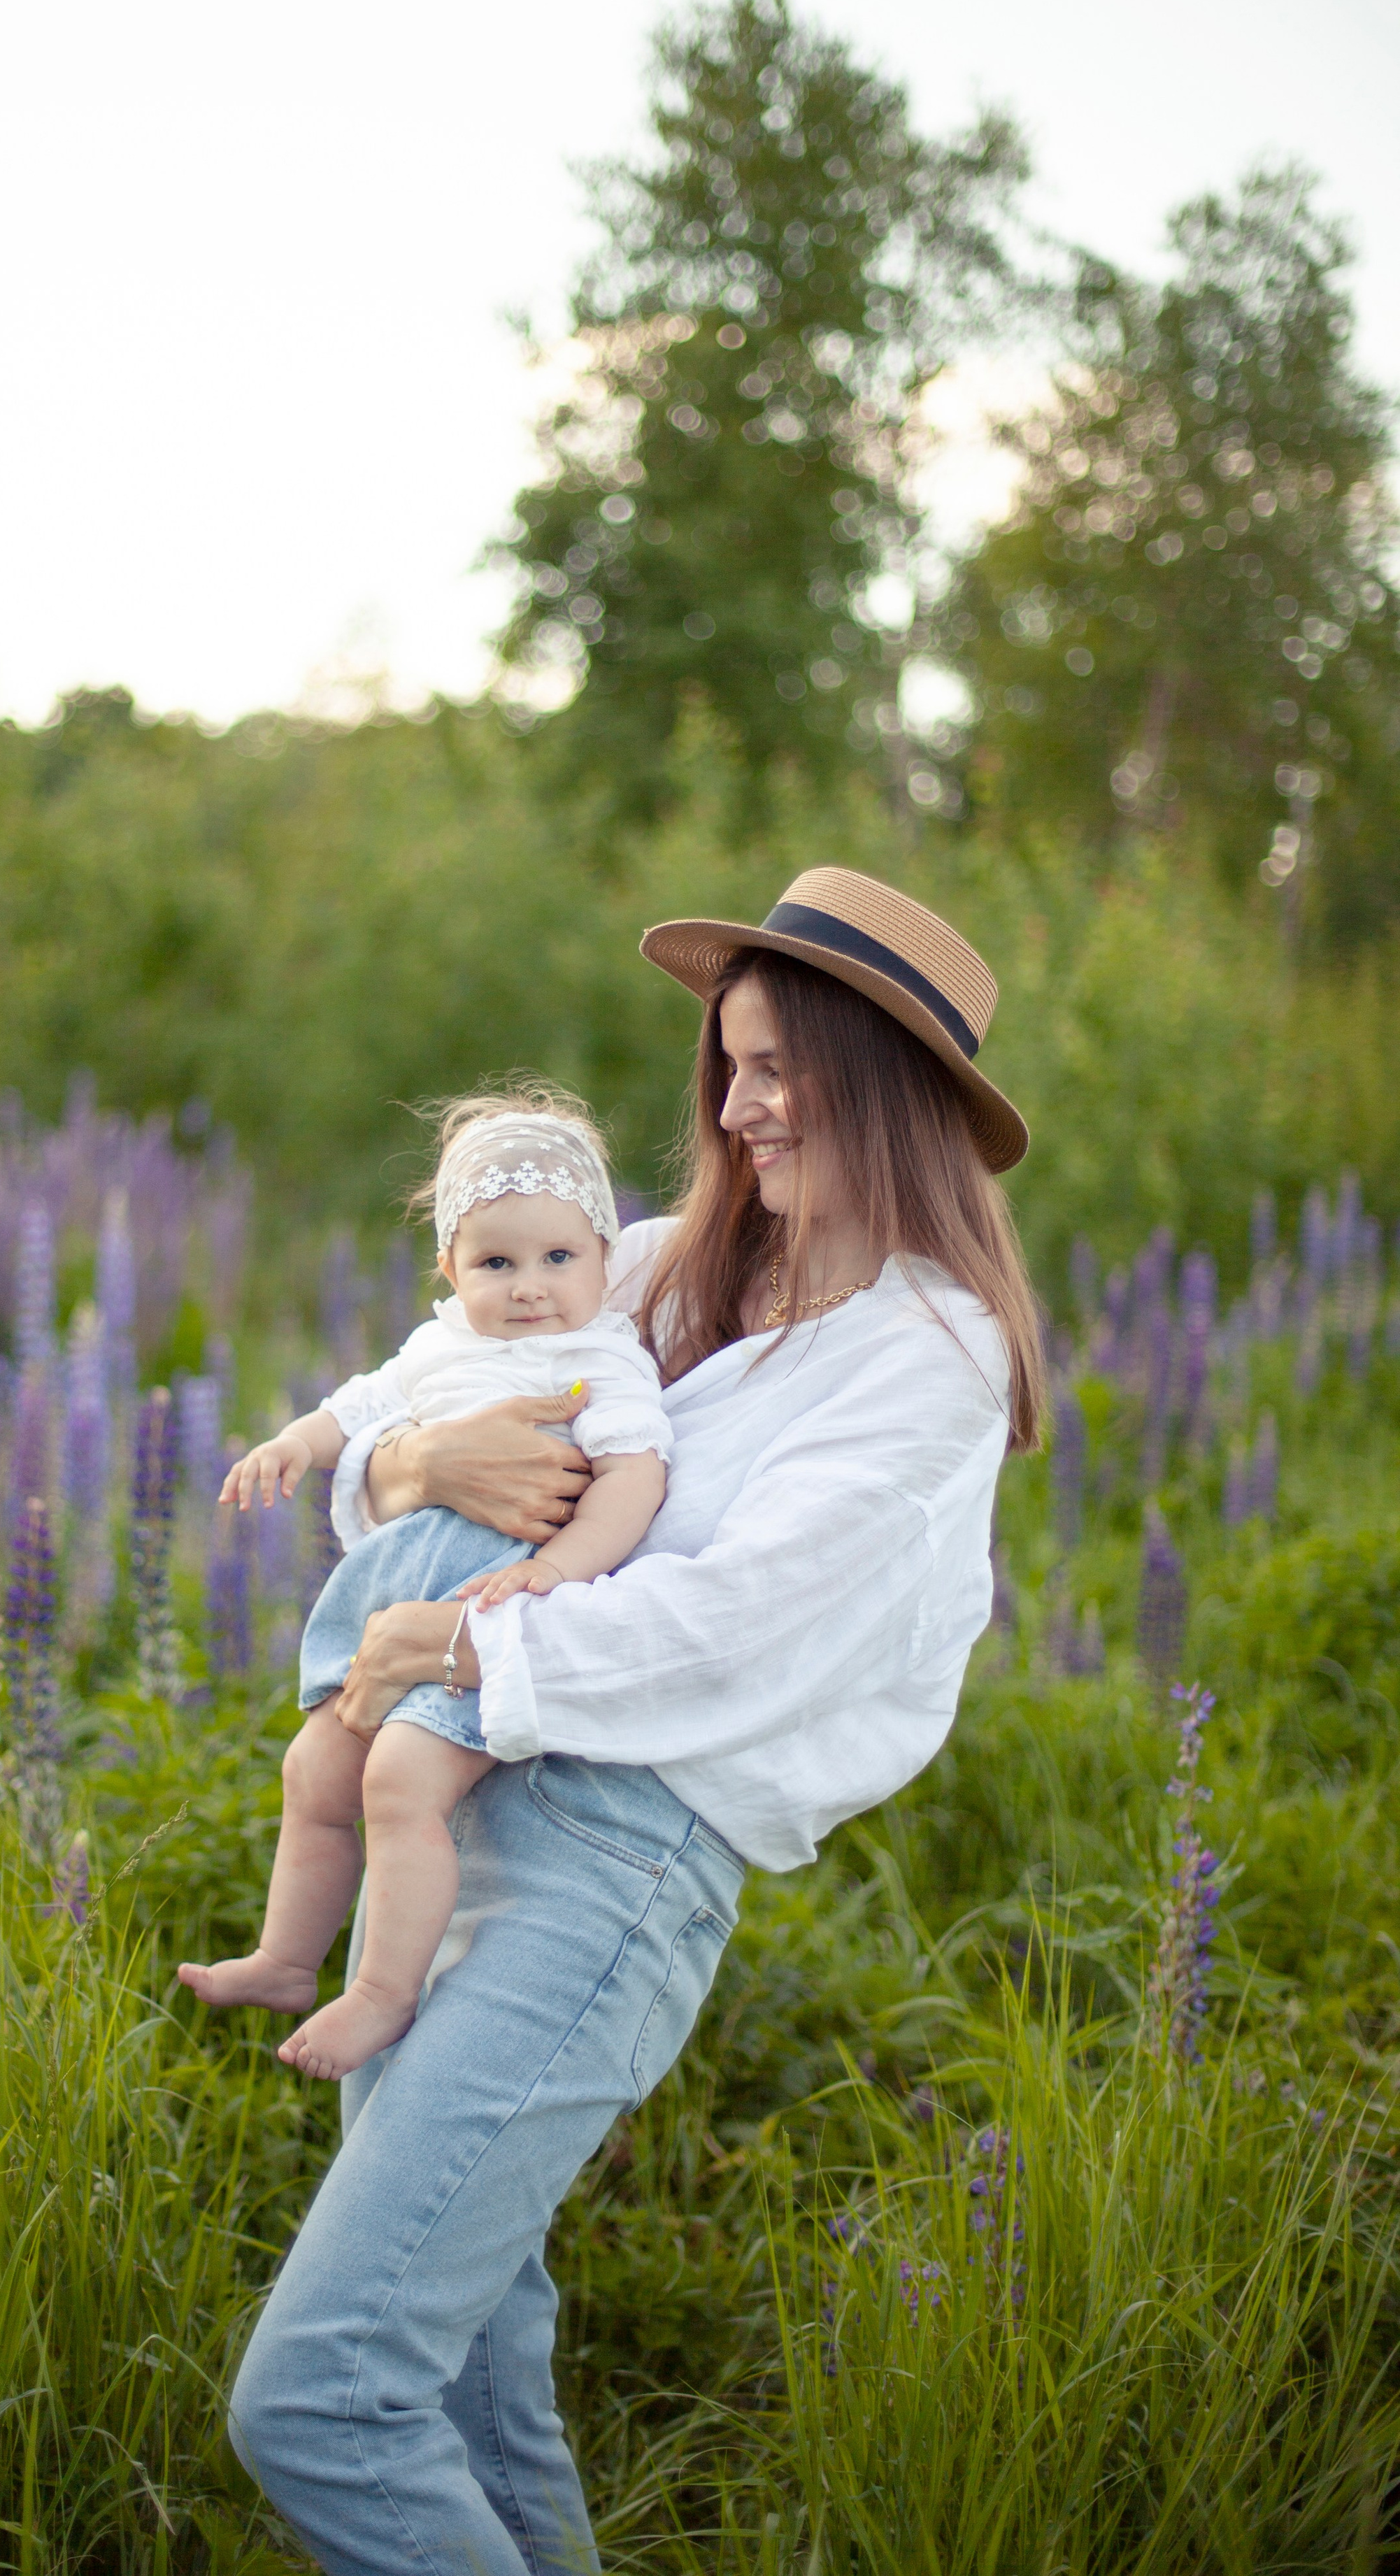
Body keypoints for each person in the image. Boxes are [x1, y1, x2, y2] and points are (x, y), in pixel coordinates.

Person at [225, 864, 1045, 2576]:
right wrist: (403, 1467)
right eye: (726, 1064)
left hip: (612, 1860)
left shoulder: (927, 1357)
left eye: (773, 1069)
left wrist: (450, 1653)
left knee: (321, 2395)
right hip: (440, 1821)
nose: (734, 1106)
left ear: (882, 1086)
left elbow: (731, 1626)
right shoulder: (663, 1264)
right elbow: (425, 1426)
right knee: (467, 2372)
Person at [179, 1094, 671, 2080]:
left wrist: (557, 1567)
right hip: (390, 1604)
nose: (530, 1288)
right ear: (449, 1269)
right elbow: (352, 1411)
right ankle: (285, 1959)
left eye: (558, 1259)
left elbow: (635, 1477)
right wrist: (289, 1446)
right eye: (496, 1263)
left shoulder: (602, 1361)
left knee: (400, 1781)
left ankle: (382, 1994)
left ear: (604, 1262)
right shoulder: (439, 1350)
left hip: (491, 1613)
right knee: (317, 1773)